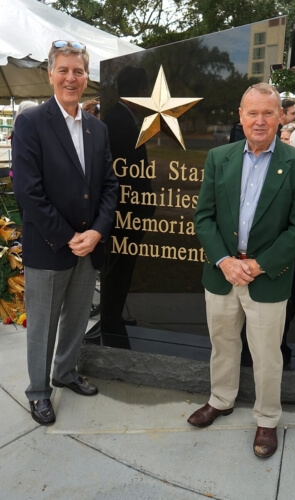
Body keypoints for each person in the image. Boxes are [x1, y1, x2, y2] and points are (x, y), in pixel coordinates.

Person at [187, 83, 295, 459]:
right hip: (222, 273)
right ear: (241, 117)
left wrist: (259, 265)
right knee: (223, 344)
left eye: (267, 113)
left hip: (267, 277)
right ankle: (221, 399)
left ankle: (267, 419)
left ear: (280, 116)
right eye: (252, 113)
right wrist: (225, 261)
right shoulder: (219, 157)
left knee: (266, 354)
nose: (259, 121)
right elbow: (204, 217)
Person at [11, 40, 119, 425]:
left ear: (86, 77)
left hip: (89, 246)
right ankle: (39, 391)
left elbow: (109, 185)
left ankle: (65, 371)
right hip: (49, 245)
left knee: (75, 318)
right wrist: (67, 236)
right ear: (51, 74)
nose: (71, 78)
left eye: (78, 71)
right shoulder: (31, 122)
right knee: (42, 325)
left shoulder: (97, 128)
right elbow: (28, 191)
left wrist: (97, 233)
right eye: (64, 70)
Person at [98, 66, 155, 349]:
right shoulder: (117, 122)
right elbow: (115, 175)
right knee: (116, 268)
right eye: (144, 90)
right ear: (136, 92)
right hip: (123, 213)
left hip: (132, 211)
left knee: (122, 268)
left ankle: (115, 314)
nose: (147, 95)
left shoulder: (126, 119)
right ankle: (110, 320)